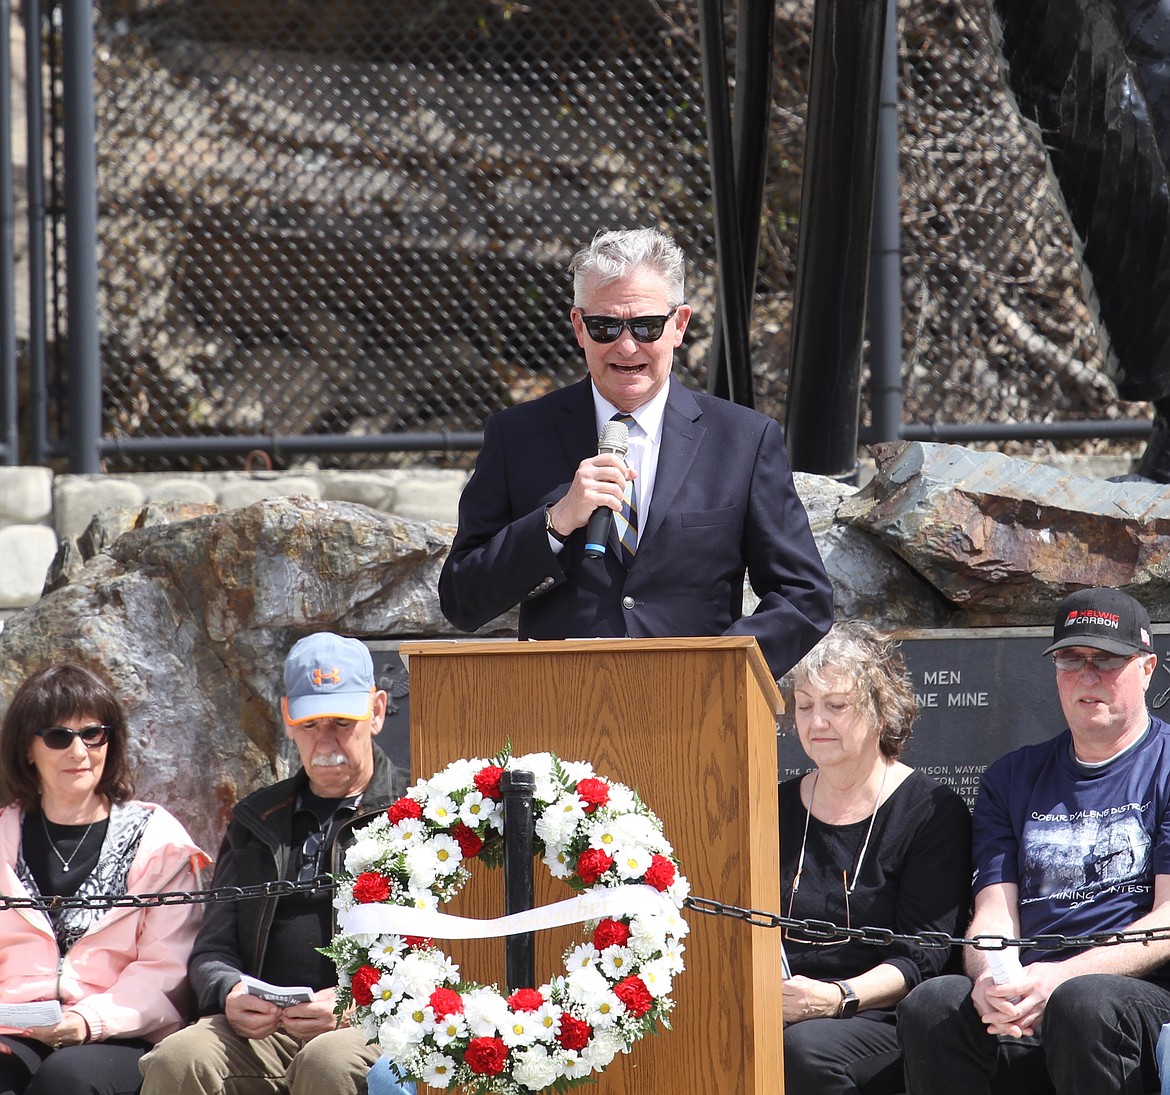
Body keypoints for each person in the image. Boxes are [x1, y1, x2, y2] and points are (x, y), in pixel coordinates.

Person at [437, 227, 833, 680]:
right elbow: (461, 599)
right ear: (578, 328)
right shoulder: (518, 436)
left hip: (698, 713)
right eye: (605, 327)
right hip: (556, 708)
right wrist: (556, 521)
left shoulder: (743, 440)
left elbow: (804, 596)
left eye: (646, 326)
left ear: (679, 325)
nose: (627, 347)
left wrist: (718, 673)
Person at [897, 587, 1170, 1095]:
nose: (1088, 676)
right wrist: (992, 980)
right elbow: (995, 912)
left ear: (1147, 667)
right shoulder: (1011, 775)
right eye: (1071, 658)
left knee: (1083, 1002)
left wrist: (1059, 978)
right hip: (1030, 986)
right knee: (934, 1003)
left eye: (1107, 659)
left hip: (1140, 993)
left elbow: (1167, 919)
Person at [138, 632, 400, 1095]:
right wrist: (230, 991)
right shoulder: (256, 819)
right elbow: (212, 950)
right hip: (260, 1032)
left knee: (329, 1061)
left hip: (370, 1023)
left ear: (377, 712)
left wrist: (355, 1001)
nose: (325, 741)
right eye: (309, 724)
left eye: (341, 721)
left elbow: (444, 955)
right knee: (180, 1058)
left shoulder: (414, 812)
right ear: (287, 718)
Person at [779, 621, 972, 1094]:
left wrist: (836, 997)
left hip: (879, 1014)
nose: (815, 722)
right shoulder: (776, 806)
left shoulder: (931, 811)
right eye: (805, 706)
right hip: (779, 1004)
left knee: (804, 1051)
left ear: (882, 711)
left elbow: (921, 955)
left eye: (836, 706)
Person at [0, 663, 208, 1095]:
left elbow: (166, 965)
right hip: (12, 1025)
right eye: (59, 736)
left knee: (68, 1079)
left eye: (93, 734)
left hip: (122, 1028)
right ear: (26, 749)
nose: (79, 752)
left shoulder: (157, 841)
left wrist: (86, 1021)